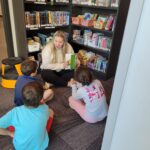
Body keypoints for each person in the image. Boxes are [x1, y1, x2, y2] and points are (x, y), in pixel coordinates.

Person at [0, 81, 54, 150]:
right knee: (51, 112)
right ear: (41, 99)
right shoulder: (45, 108)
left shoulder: (15, 112)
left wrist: (9, 133)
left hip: (19, 148)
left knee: (12, 124)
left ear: (22, 97)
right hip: (41, 147)